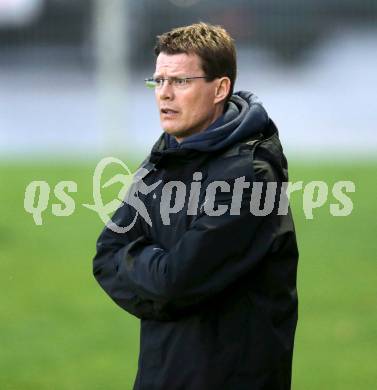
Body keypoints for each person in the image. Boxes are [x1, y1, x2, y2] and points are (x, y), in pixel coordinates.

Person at [93, 22, 299, 390]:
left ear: (220, 88)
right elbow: (106, 256)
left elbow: (176, 281)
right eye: (158, 81)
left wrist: (149, 276)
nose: (164, 95)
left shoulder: (248, 175)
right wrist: (163, 283)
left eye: (181, 82)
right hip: (162, 375)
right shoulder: (165, 156)